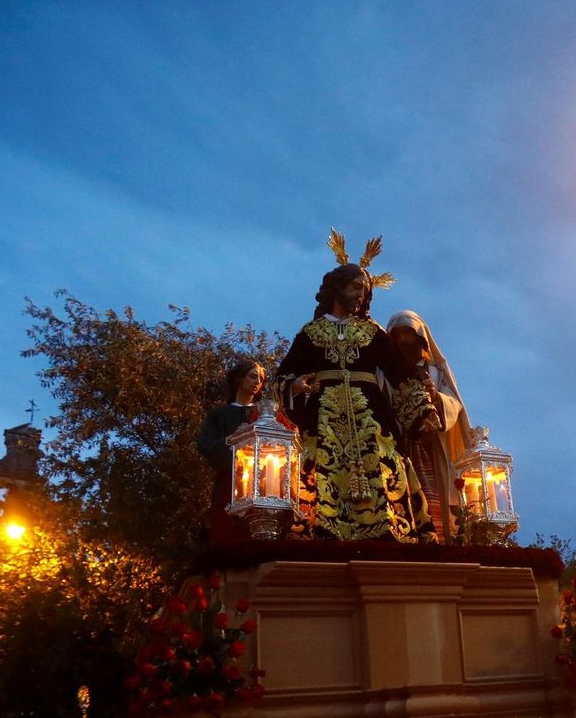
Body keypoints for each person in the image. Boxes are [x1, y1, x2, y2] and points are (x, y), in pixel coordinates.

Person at [268, 232, 433, 542]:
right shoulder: (311, 333)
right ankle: (320, 529)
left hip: (372, 420)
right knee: (318, 473)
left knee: (383, 467)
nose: (361, 295)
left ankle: (387, 530)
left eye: (365, 290)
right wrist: (297, 384)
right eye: (356, 287)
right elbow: (283, 377)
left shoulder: (373, 331)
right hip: (323, 419)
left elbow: (401, 373)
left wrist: (422, 410)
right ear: (337, 288)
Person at [386, 310, 472, 543]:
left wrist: (435, 398)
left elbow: (455, 403)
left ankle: (439, 540)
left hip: (431, 448)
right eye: (398, 335)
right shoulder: (384, 373)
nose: (403, 340)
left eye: (408, 334)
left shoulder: (436, 371)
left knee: (434, 497)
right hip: (397, 445)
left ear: (421, 338)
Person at [195, 360, 266, 545]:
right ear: (239, 378)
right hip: (228, 485)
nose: (257, 381)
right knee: (226, 536)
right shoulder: (219, 415)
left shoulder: (266, 416)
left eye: (261, 378)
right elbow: (205, 445)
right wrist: (233, 439)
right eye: (252, 376)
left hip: (263, 487)